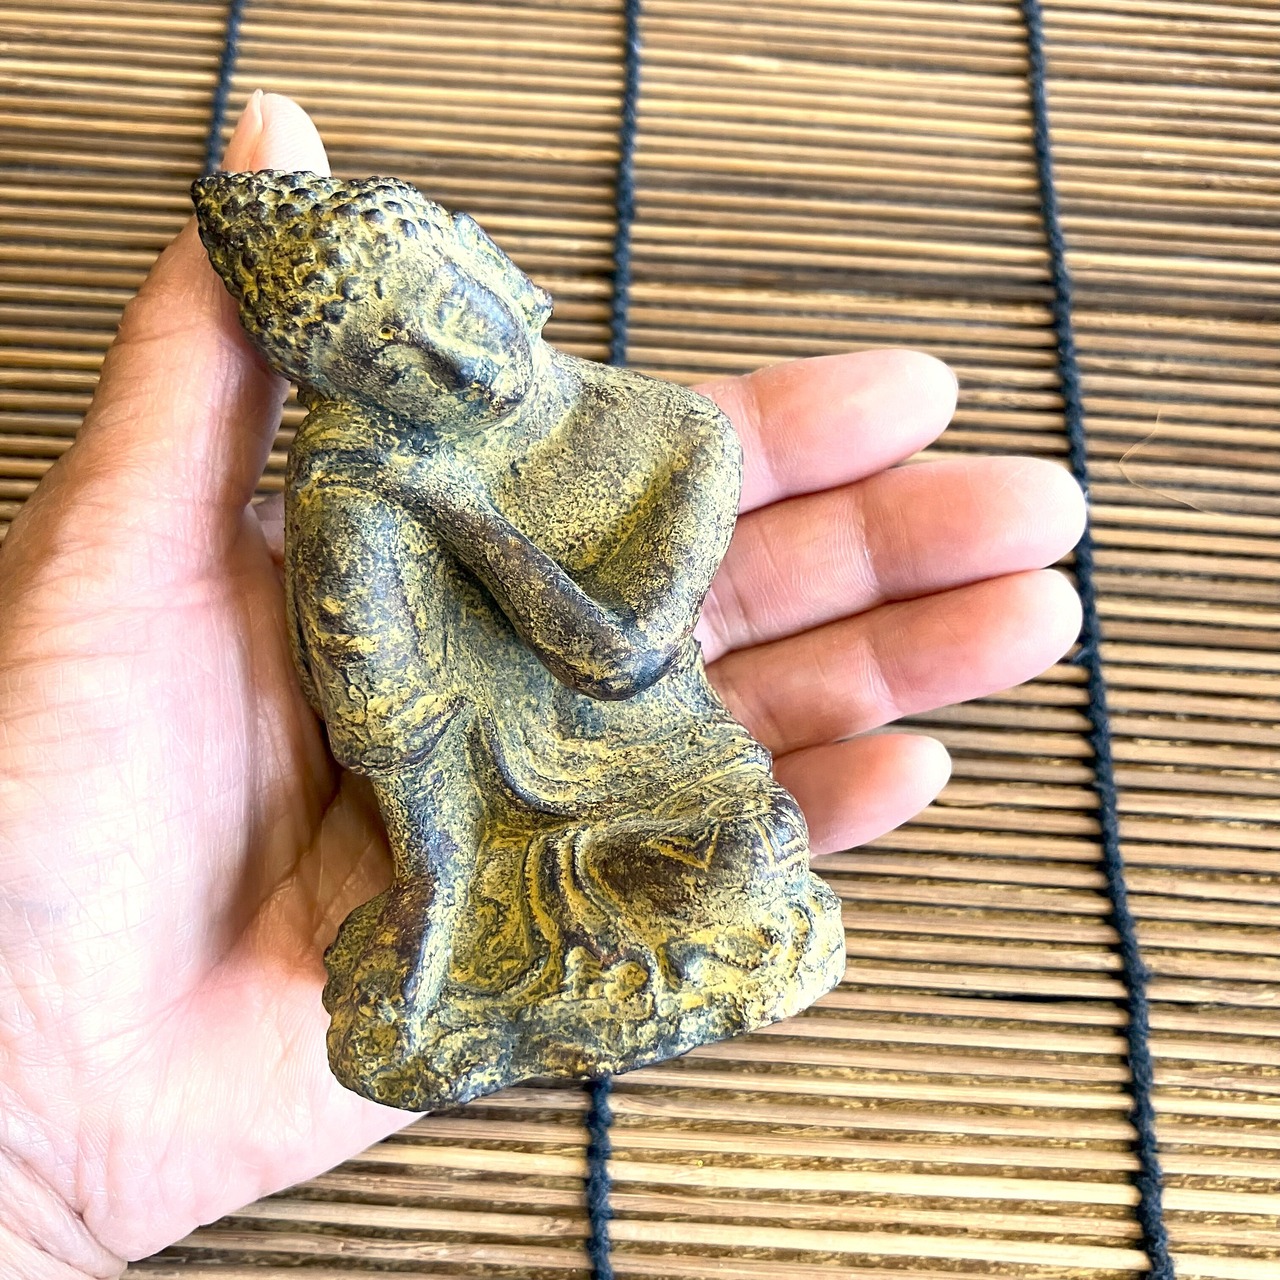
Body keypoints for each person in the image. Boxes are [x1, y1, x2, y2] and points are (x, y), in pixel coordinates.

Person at [0, 93, 1085, 1274]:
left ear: (486, 261)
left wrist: (462, 508)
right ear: (347, 387)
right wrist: (435, 879)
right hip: (471, 812)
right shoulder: (355, 482)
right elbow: (393, 715)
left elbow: (617, 656)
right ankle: (482, 931)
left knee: (754, 849)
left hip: (664, 765)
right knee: (507, 926)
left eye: (447, 309)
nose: (456, 363)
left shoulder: (673, 431)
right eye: (389, 365)